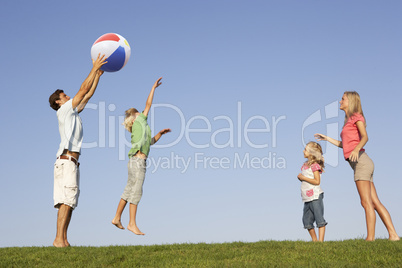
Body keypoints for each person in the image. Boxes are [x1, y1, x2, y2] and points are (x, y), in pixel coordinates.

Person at [315, 91, 400, 241]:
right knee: (374, 201)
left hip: (362, 162)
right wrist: (326, 138)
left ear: (351, 101)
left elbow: (365, 136)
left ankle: (370, 238)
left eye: (343, 99)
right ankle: (393, 235)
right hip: (361, 163)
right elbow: (345, 145)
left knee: (365, 202)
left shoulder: (356, 117)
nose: (340, 101)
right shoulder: (348, 121)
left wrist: (355, 149)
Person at [48, 54, 107, 247]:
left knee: (70, 202)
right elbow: (82, 90)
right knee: (66, 201)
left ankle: (63, 240)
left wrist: (97, 75)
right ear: (58, 102)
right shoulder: (63, 110)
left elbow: (88, 94)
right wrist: (93, 68)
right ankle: (59, 240)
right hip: (66, 161)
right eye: (64, 96)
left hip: (70, 163)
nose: (68, 96)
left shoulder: (71, 111)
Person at [112, 77, 171, 235]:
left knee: (128, 190)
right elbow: (148, 105)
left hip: (135, 161)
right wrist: (153, 88)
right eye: (139, 112)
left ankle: (117, 217)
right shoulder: (139, 122)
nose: (143, 113)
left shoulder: (141, 129)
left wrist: (160, 133)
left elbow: (150, 142)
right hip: (138, 162)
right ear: (135, 116)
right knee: (136, 191)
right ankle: (132, 223)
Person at [298, 141, 327, 242]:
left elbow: (317, 181)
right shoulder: (305, 165)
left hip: (315, 196)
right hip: (307, 197)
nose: (303, 151)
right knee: (307, 220)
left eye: (305, 149)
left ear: (311, 153)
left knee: (319, 219)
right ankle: (314, 240)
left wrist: (303, 178)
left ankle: (320, 241)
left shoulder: (314, 165)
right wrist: (302, 178)